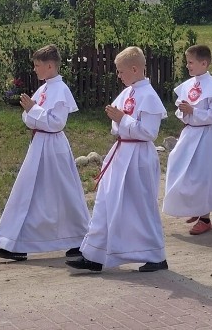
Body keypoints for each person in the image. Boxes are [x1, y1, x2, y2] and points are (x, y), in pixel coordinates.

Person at [66, 46, 168, 273]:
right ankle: (94, 254)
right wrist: (120, 121)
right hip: (121, 153)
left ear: (134, 69)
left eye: (121, 72)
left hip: (139, 156)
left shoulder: (149, 96)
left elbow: (149, 132)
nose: (119, 76)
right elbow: (116, 124)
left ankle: (155, 255)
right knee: (106, 201)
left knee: (140, 207)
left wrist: (124, 120)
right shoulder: (128, 92)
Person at [0, 44, 89, 261]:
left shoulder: (61, 90)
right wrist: (31, 112)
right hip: (39, 145)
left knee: (64, 193)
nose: (34, 69)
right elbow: (28, 119)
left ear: (50, 66)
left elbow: (57, 123)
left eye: (37, 65)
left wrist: (33, 110)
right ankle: (16, 242)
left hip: (54, 147)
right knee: (30, 192)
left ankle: (80, 238)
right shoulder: (44, 88)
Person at [162, 45, 212, 235]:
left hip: (207, 135)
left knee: (202, 175)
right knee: (181, 168)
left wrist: (194, 111)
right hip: (190, 133)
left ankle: (205, 217)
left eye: (191, 62)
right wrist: (184, 112)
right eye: (187, 62)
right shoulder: (188, 85)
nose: (187, 66)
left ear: (204, 63)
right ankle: (194, 206)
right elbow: (180, 109)